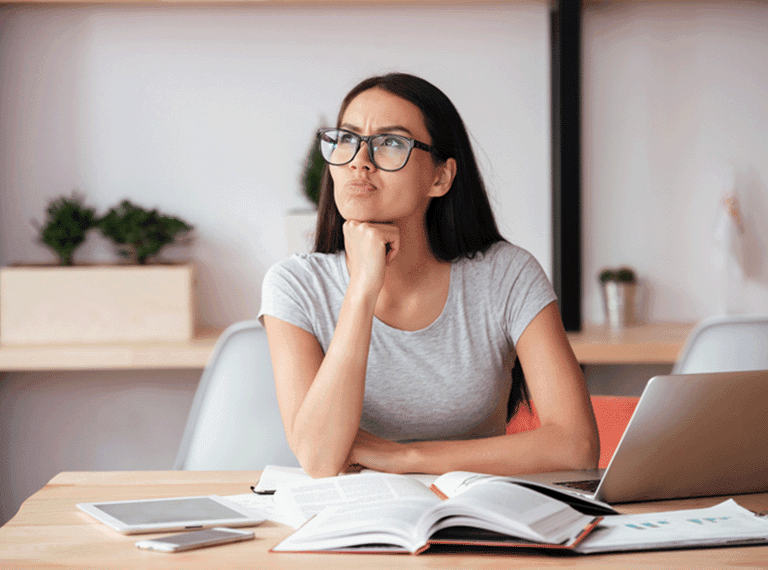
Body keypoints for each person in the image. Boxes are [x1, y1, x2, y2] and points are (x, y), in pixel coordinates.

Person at [259, 72, 598, 478]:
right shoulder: (294, 285)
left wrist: (407, 458)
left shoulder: (507, 275)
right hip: (351, 521)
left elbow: (577, 446)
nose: (359, 161)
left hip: (477, 513)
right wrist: (363, 288)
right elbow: (319, 459)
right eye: (346, 139)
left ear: (440, 177)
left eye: (390, 143)